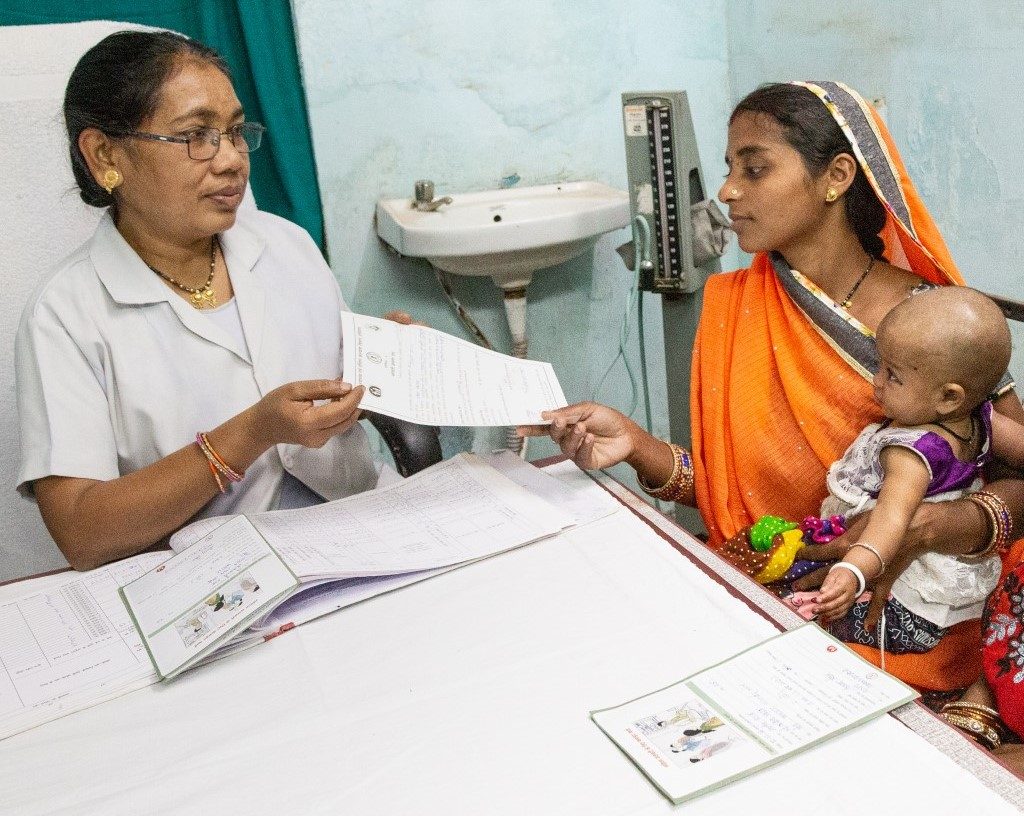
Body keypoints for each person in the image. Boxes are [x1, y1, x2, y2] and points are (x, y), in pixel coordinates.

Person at [521, 81, 1024, 691]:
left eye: (754, 169)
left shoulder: (934, 326)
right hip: (774, 587)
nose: (729, 190)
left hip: (905, 621)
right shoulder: (736, 307)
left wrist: (922, 530)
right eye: (731, 168)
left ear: (837, 176)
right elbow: (741, 496)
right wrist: (634, 444)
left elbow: (1015, 483)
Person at [15, 31, 396, 571]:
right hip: (216, 585)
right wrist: (252, 432)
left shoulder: (286, 244)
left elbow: (336, 398)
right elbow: (82, 532)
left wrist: (389, 364)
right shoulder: (66, 315)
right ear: (105, 156)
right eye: (196, 135)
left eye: (236, 133)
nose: (233, 161)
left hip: (362, 531)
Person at [789, 287, 1024, 657]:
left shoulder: (909, 453)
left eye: (892, 375)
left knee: (782, 606)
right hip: (946, 604)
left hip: (899, 605)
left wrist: (853, 571)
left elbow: (891, 521)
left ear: (949, 397)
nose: (876, 382)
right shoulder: (985, 420)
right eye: (880, 366)